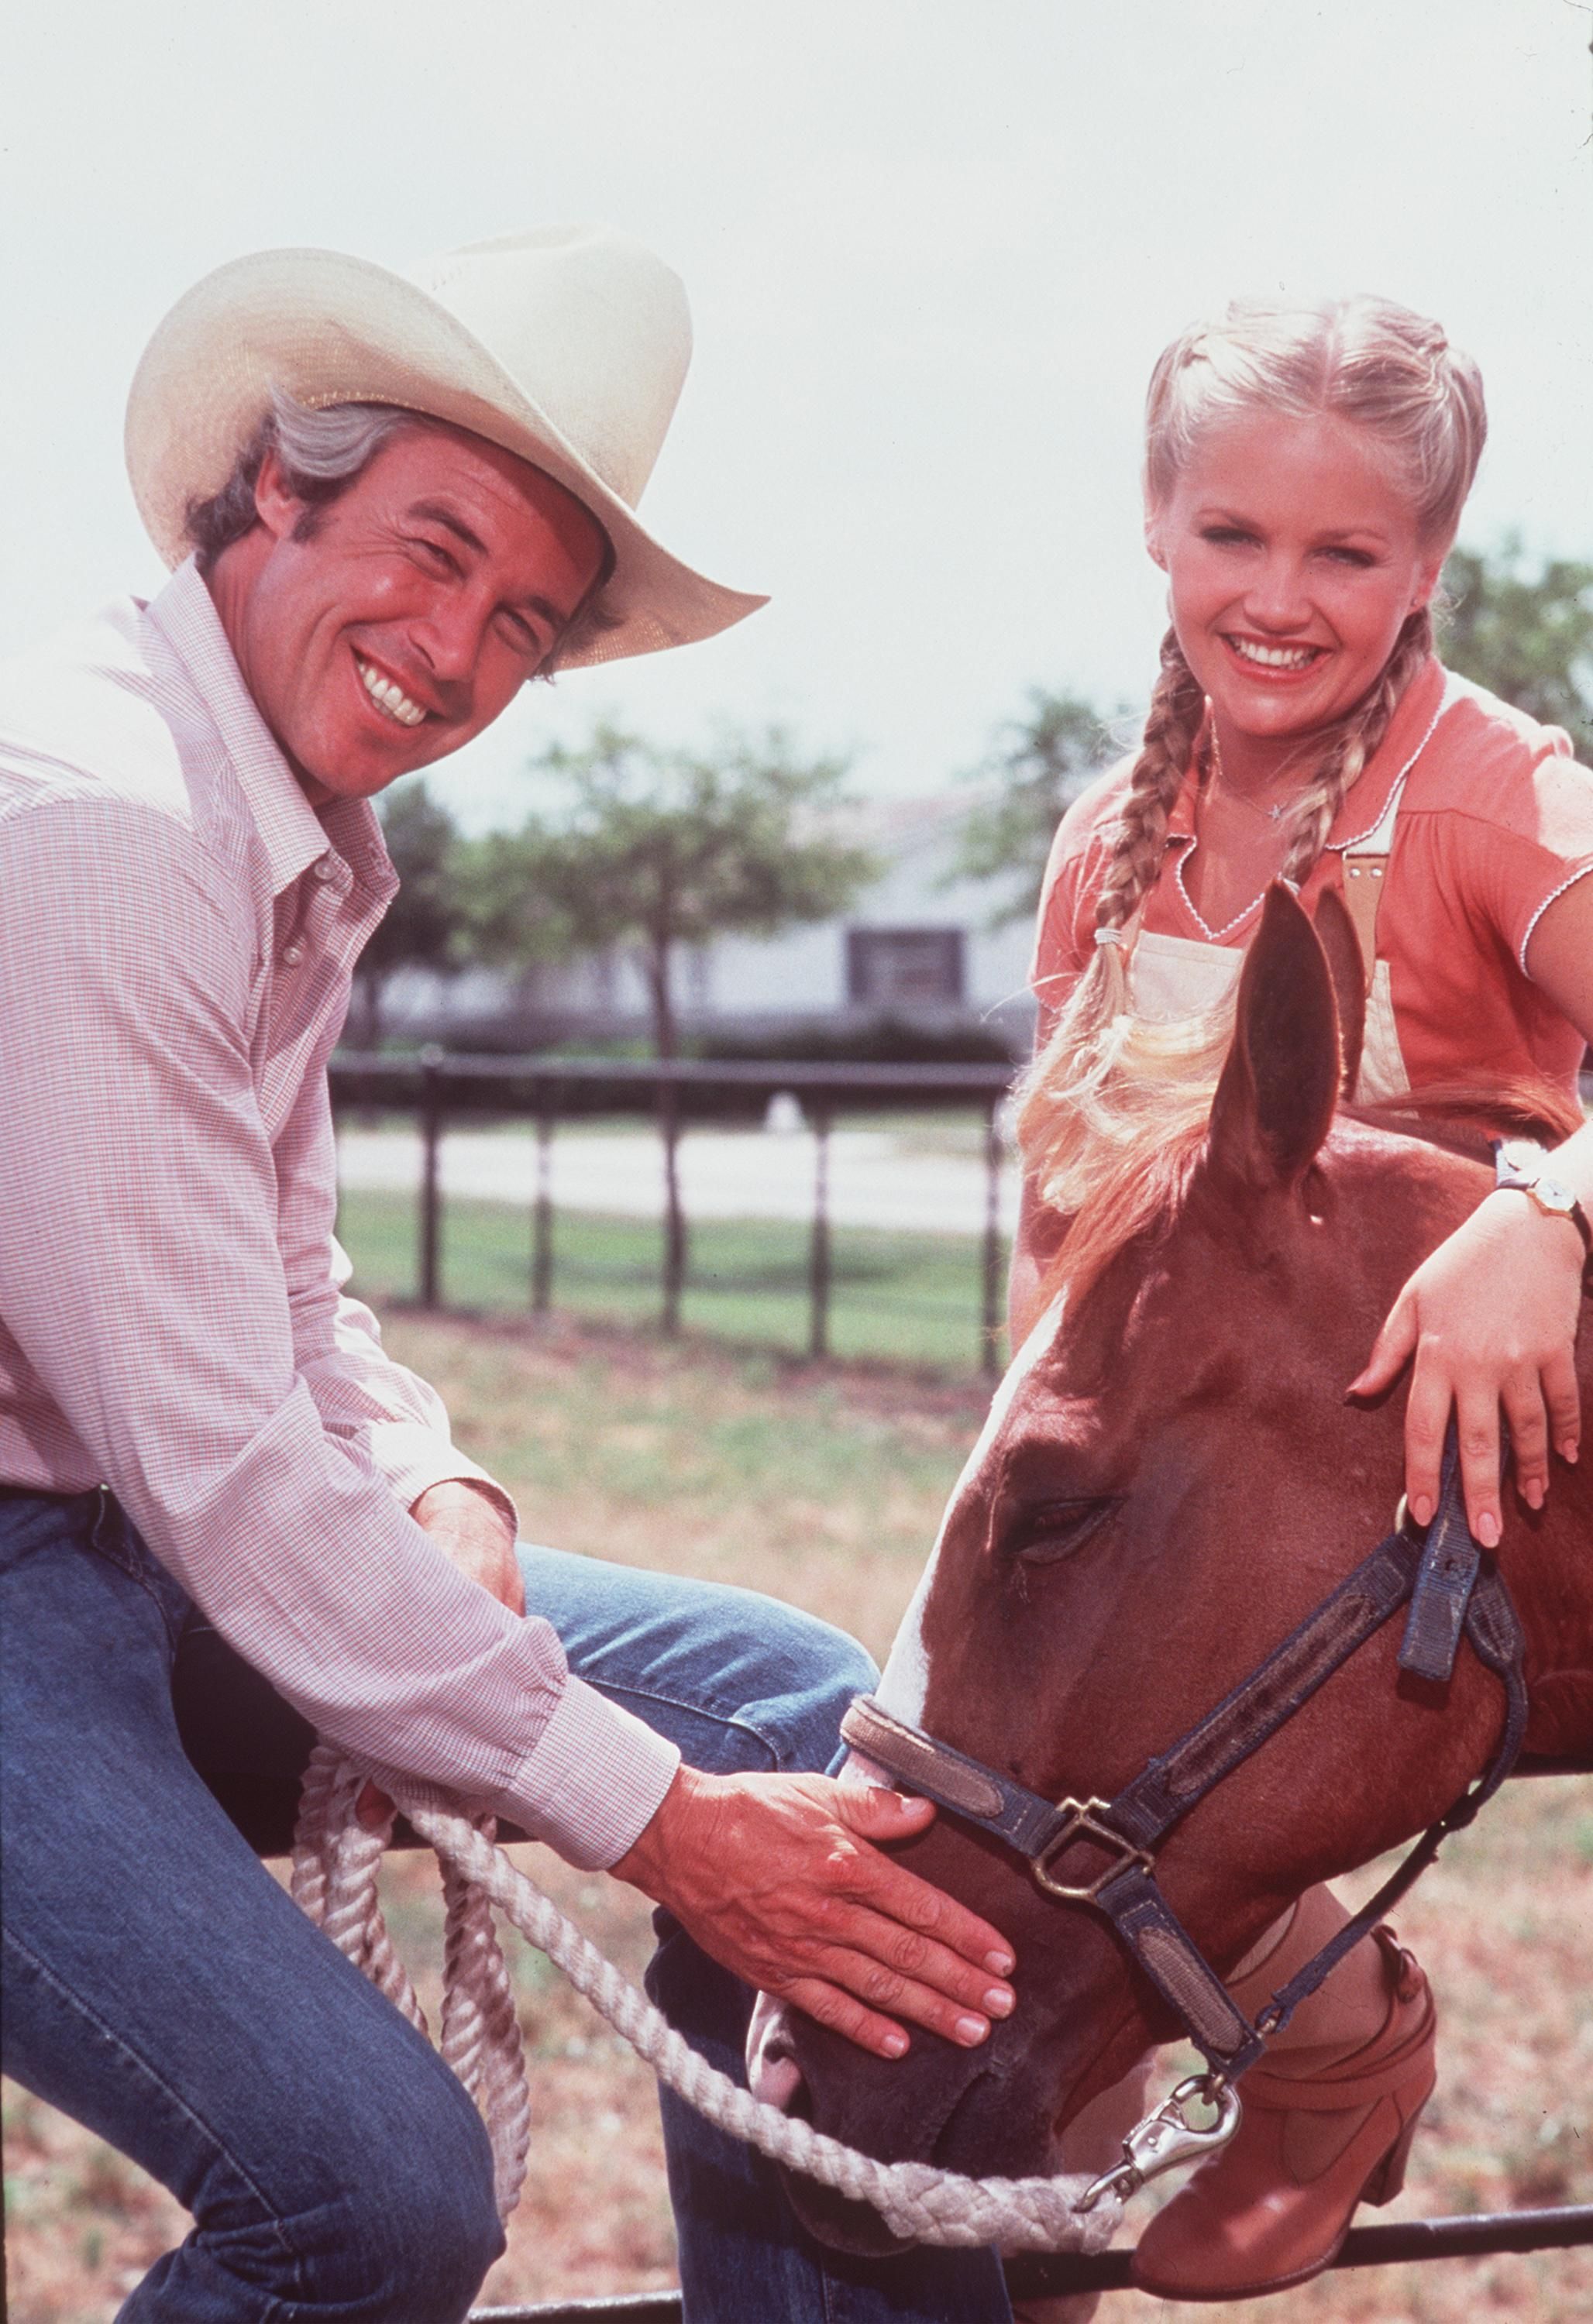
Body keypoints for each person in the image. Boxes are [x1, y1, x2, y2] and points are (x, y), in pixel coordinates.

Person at [0, 228, 1020, 2324]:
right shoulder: (103, 823)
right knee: (374, 2199)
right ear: (270, 491)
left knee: (802, 1722)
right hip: (55, 1571)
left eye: (523, 626)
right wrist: (655, 1824)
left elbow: (285, 1283)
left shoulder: (276, 815)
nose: (455, 652)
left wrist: (439, 1472)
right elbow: (226, 1475)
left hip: (109, 1533)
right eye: (430, 548)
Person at [1011, 294, 1593, 2302]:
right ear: (1158, 534)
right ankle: (1048, 2196)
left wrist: (1555, 1212)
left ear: (1429, 565)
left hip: (1443, 1456)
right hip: (1218, 1457)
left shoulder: (1488, 791)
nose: (1281, 595)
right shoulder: (1108, 847)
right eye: (1234, 537)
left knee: (1059, 1763)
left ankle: (1332, 2047)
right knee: (941, 1746)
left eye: (1348, 551)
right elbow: (1067, 1236)